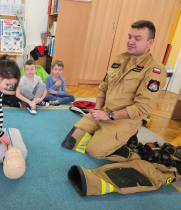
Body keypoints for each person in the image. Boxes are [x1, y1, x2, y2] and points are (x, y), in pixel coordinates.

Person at [61, 20, 178, 196]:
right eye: (130, 36)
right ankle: (107, 136)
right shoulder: (121, 58)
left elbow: (141, 108)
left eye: (137, 38)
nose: (131, 41)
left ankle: (129, 149)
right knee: (71, 141)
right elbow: (104, 86)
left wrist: (107, 116)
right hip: (104, 111)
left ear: (150, 42)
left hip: (125, 121)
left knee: (94, 151)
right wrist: (97, 110)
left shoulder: (155, 70)